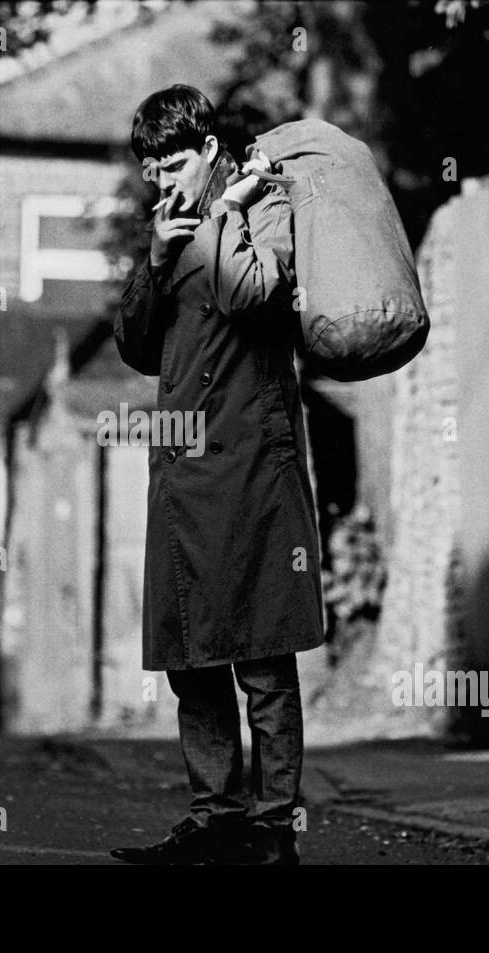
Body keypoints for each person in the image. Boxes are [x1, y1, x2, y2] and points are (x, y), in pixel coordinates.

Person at [110, 85, 325, 866]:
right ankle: (213, 817)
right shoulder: (169, 226)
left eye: (173, 164)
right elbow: (135, 344)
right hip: (181, 469)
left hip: (250, 463)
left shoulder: (263, 203)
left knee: (262, 653)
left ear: (209, 150)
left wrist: (227, 210)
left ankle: (272, 828)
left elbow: (252, 294)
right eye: (151, 170)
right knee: (189, 655)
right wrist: (158, 258)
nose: (163, 182)